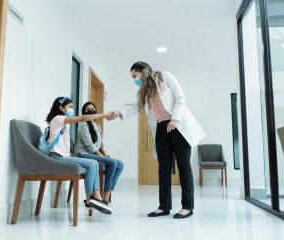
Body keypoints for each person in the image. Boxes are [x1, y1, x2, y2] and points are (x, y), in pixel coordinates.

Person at [112, 61, 205, 219]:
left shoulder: (164, 76)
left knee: (183, 166)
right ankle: (164, 206)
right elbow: (137, 106)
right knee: (163, 168)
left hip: (178, 125)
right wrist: (119, 113)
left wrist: (175, 119)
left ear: (142, 70)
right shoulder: (145, 91)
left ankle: (187, 206)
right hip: (162, 129)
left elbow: (180, 97)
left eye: (135, 76)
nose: (135, 80)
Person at [46, 96, 113, 214]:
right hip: (56, 157)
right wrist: (103, 115)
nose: (72, 109)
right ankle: (91, 199)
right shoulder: (58, 119)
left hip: (65, 156)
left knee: (94, 163)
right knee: (92, 164)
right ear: (61, 108)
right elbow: (82, 118)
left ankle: (95, 197)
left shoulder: (62, 122)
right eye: (70, 107)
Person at [74, 101, 124, 204]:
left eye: (92, 108)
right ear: (84, 113)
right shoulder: (83, 123)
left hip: (93, 154)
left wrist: (105, 155)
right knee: (112, 163)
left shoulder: (97, 124)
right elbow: (89, 146)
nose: (91, 110)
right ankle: (105, 197)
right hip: (82, 153)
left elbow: (102, 144)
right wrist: (104, 157)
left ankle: (106, 195)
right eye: (88, 109)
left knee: (120, 164)